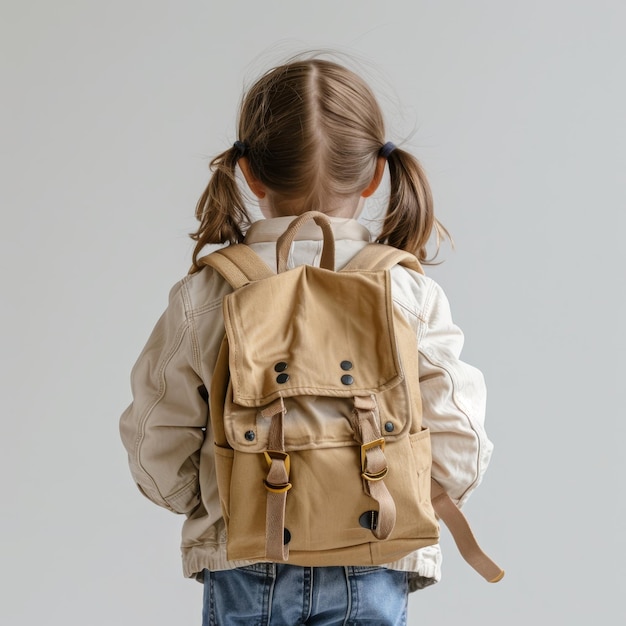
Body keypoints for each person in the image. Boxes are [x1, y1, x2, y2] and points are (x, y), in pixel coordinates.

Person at [119, 53, 494, 626]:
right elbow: (460, 436)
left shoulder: (208, 293)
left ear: (248, 172)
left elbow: (155, 435)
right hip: (378, 538)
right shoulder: (405, 290)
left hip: (245, 552)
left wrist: (218, 500)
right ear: (374, 177)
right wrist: (418, 490)